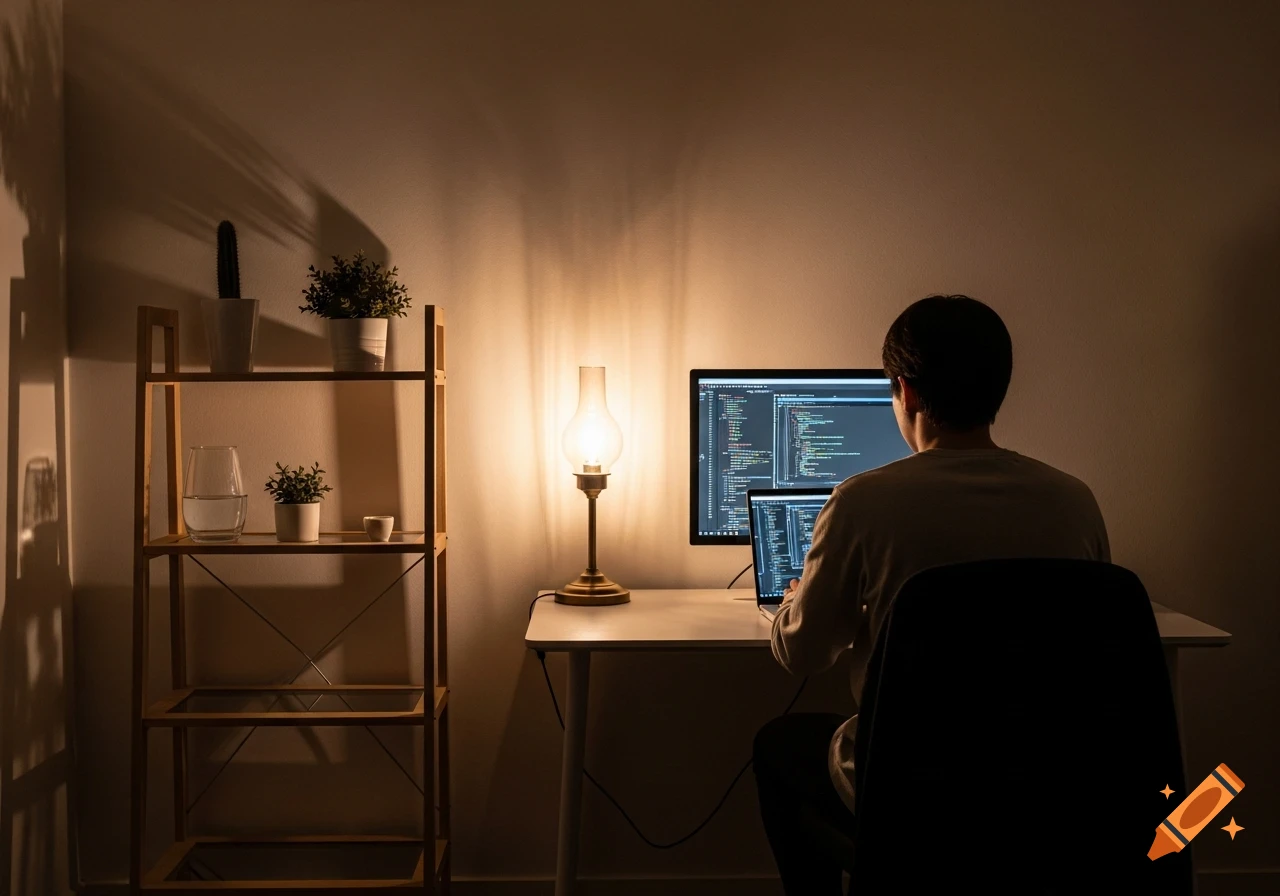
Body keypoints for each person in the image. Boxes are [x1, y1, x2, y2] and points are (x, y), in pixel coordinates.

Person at [752, 295, 1110, 895]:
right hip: (1044, 784)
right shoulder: (1074, 501)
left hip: (911, 786)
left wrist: (799, 600)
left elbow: (804, 655)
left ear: (906, 392)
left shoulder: (863, 502)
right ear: (999, 387)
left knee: (779, 747)